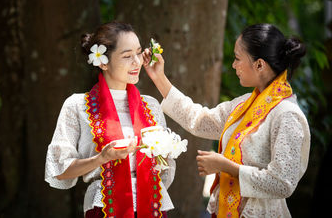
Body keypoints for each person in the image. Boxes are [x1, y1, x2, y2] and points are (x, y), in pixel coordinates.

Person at [143, 23, 310, 218]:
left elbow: (283, 183)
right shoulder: (244, 104)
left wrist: (226, 166)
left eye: (238, 58)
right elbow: (200, 120)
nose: (233, 65)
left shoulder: (287, 114)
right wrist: (160, 78)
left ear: (259, 65)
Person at [44, 21, 175, 218]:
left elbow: (165, 169)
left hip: (152, 205)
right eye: (127, 56)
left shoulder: (151, 106)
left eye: (139, 53)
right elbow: (59, 170)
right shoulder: (78, 106)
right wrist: (102, 158)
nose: (137, 62)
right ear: (103, 62)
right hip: (105, 208)